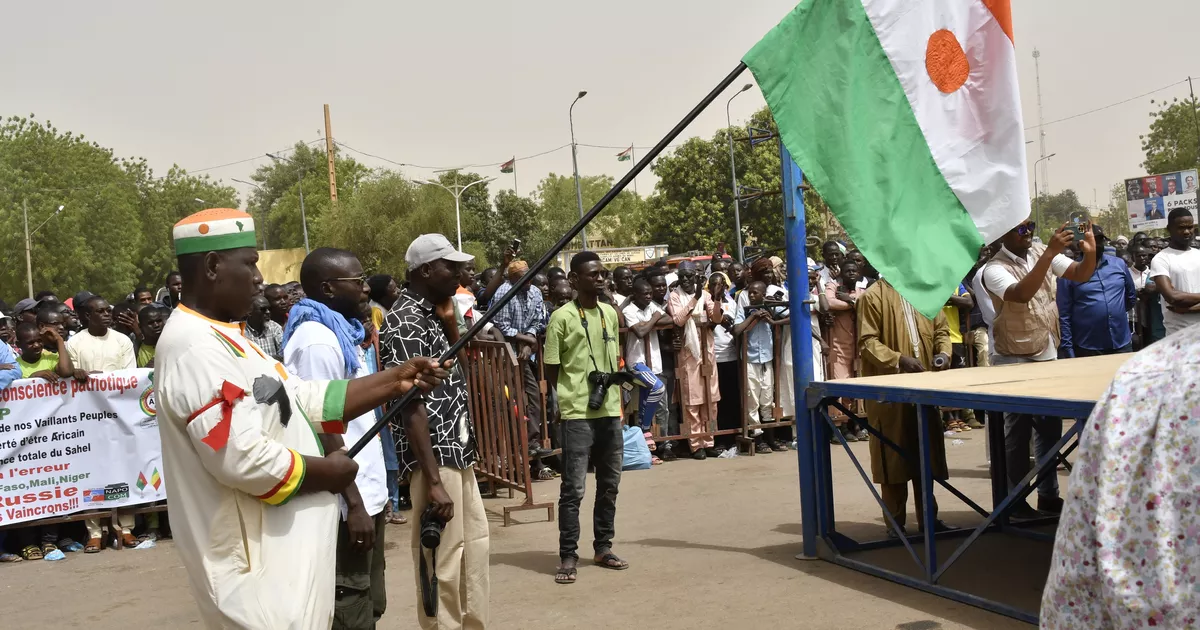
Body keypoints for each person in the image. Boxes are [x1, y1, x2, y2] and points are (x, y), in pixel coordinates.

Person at [156, 209, 445, 629]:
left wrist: (395, 380)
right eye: (250, 263)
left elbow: (299, 400)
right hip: (255, 572)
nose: (259, 278)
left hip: (285, 564)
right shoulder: (195, 348)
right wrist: (329, 472)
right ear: (214, 266)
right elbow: (240, 458)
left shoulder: (230, 340)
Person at [1041, 324, 1200, 627]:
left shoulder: (1145, 377)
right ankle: (1045, 494)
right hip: (1083, 351)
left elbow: (1074, 593)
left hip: (1115, 345)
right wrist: (1072, 354)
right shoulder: (1145, 379)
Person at [379, 233, 489, 629]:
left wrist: (448, 323)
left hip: (457, 452)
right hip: (436, 460)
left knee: (472, 549)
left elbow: (458, 371)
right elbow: (410, 409)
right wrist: (433, 480)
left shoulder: (432, 313)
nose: (460, 273)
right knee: (442, 560)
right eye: (451, 266)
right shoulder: (406, 320)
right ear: (426, 270)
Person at [283, 248, 391, 630]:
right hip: (347, 502)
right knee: (349, 607)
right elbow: (323, 425)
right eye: (356, 281)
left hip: (366, 492)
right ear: (328, 288)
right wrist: (355, 504)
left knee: (369, 603)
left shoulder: (339, 332)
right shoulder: (316, 340)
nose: (365, 289)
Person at [981, 218, 1097, 517]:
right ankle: (1014, 501)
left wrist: (1091, 252)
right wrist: (1047, 256)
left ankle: (1048, 496)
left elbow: (1080, 274)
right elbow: (1020, 294)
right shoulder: (994, 269)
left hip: (1046, 349)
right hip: (1013, 357)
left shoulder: (1039, 251)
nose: (1028, 232)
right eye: (1020, 228)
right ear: (1002, 234)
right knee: (1017, 434)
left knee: (1049, 429)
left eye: (1030, 225)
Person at [546, 251, 629, 585]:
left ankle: (603, 547)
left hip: (609, 411)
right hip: (578, 413)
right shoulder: (562, 317)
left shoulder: (610, 312)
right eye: (592, 274)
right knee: (574, 489)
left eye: (602, 273)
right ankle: (568, 555)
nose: (599, 278)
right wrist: (571, 395)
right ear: (574, 280)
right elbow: (552, 367)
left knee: (609, 485)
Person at [857, 278, 954, 537]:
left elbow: (942, 330)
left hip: (924, 388)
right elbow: (867, 342)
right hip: (889, 393)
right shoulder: (873, 296)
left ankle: (928, 521)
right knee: (893, 459)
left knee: (926, 455)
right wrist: (899, 360)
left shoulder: (925, 288)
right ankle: (895, 526)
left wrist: (943, 354)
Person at [491, 259, 551, 462]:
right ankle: (512, 446)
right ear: (512, 278)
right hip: (505, 352)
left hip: (526, 351)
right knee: (511, 400)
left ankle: (532, 443)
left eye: (529, 275)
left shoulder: (535, 292)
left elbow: (538, 320)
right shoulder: (503, 292)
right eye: (522, 277)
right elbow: (502, 325)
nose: (528, 280)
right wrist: (526, 339)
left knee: (534, 396)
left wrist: (529, 342)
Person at [667, 260, 723, 459]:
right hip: (688, 355)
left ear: (696, 277)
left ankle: (710, 441)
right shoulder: (674, 297)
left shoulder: (706, 295)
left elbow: (715, 319)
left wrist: (716, 300)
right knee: (692, 401)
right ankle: (696, 444)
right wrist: (694, 300)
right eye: (682, 276)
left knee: (711, 399)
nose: (685, 280)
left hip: (707, 353)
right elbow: (679, 320)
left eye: (689, 276)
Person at [1057, 226, 1136, 357]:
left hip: (1121, 342)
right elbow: (1064, 315)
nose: (1096, 244)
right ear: (1081, 243)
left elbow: (1130, 297)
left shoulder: (1119, 264)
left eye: (1099, 240)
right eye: (1091, 240)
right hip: (1088, 346)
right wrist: (1068, 349)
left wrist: (1113, 312)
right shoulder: (1069, 272)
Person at [735, 281, 788, 452]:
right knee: (752, 400)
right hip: (750, 360)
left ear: (763, 294)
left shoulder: (770, 306)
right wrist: (753, 316)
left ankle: (770, 438)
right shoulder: (744, 309)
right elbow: (736, 330)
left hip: (766, 359)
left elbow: (790, 314)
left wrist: (770, 314)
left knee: (767, 399)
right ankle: (757, 439)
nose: (751, 295)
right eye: (750, 292)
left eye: (755, 293)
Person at [621, 277, 669, 444]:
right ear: (635, 295)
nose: (649, 297)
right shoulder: (629, 311)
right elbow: (640, 332)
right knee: (658, 388)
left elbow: (669, 319)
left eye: (650, 293)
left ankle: (645, 438)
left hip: (653, 361)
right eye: (645, 294)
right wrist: (655, 318)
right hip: (637, 362)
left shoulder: (652, 307)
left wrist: (649, 321)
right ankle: (645, 426)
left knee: (645, 397)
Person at [825, 261, 867, 441]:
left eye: (854, 271)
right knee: (838, 385)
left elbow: (865, 303)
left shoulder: (860, 290)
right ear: (841, 273)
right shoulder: (833, 286)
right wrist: (852, 304)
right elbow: (828, 302)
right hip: (838, 346)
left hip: (857, 347)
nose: (851, 274)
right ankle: (837, 427)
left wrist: (849, 300)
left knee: (855, 387)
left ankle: (853, 424)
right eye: (847, 271)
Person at [1149, 208, 1200, 336]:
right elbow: (1172, 297)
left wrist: (1189, 309)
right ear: (1169, 229)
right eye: (1181, 228)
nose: (1187, 232)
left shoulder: (1198, 255)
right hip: (1179, 337)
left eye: (1190, 227)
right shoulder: (1161, 259)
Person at [708, 272, 742, 452]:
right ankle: (719, 439)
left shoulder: (733, 304)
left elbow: (736, 327)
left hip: (731, 356)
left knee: (732, 398)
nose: (717, 287)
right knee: (717, 401)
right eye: (713, 284)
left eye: (721, 284)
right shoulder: (706, 303)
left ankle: (733, 437)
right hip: (713, 358)